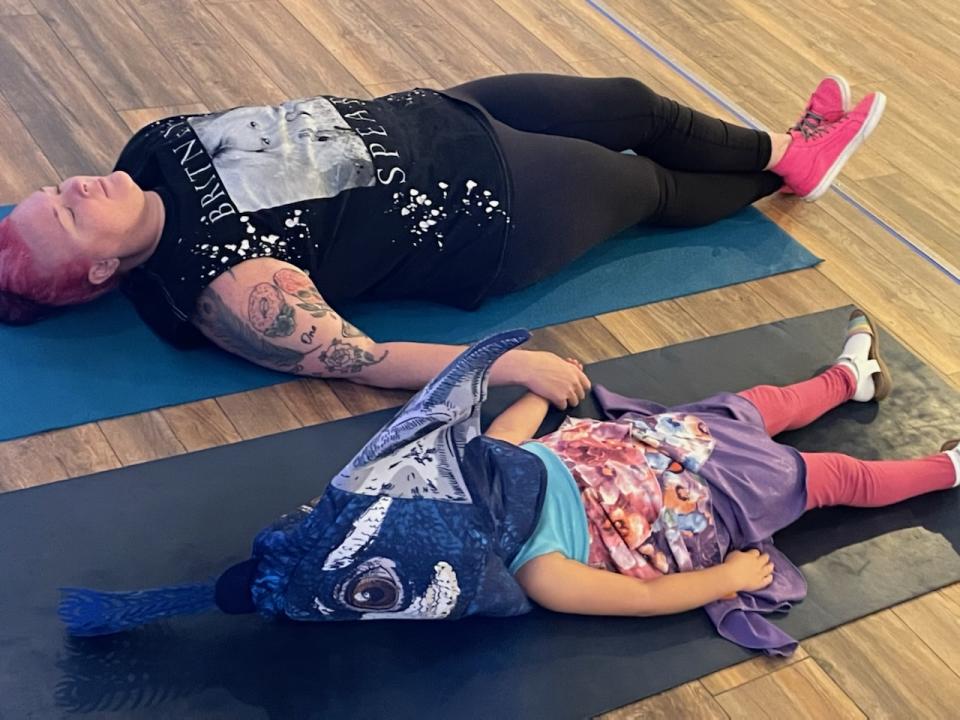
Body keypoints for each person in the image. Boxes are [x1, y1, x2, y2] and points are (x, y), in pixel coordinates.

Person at [58, 310, 958, 657]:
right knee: (827, 476)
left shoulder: (486, 471)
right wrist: (721, 581)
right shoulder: (543, 571)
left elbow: (501, 442)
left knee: (751, 403)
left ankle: (850, 379)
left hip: (652, 441)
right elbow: (638, 600)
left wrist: (532, 386)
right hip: (694, 501)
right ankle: (946, 465)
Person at [0, 74, 884, 408]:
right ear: (104, 266)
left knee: (632, 104)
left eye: (51, 192)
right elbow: (364, 358)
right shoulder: (224, 290)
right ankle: (786, 171)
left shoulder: (139, 156)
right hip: (494, 213)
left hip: (443, 114)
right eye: (72, 215)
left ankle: (791, 154)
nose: (76, 186)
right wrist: (505, 366)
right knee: (645, 185)